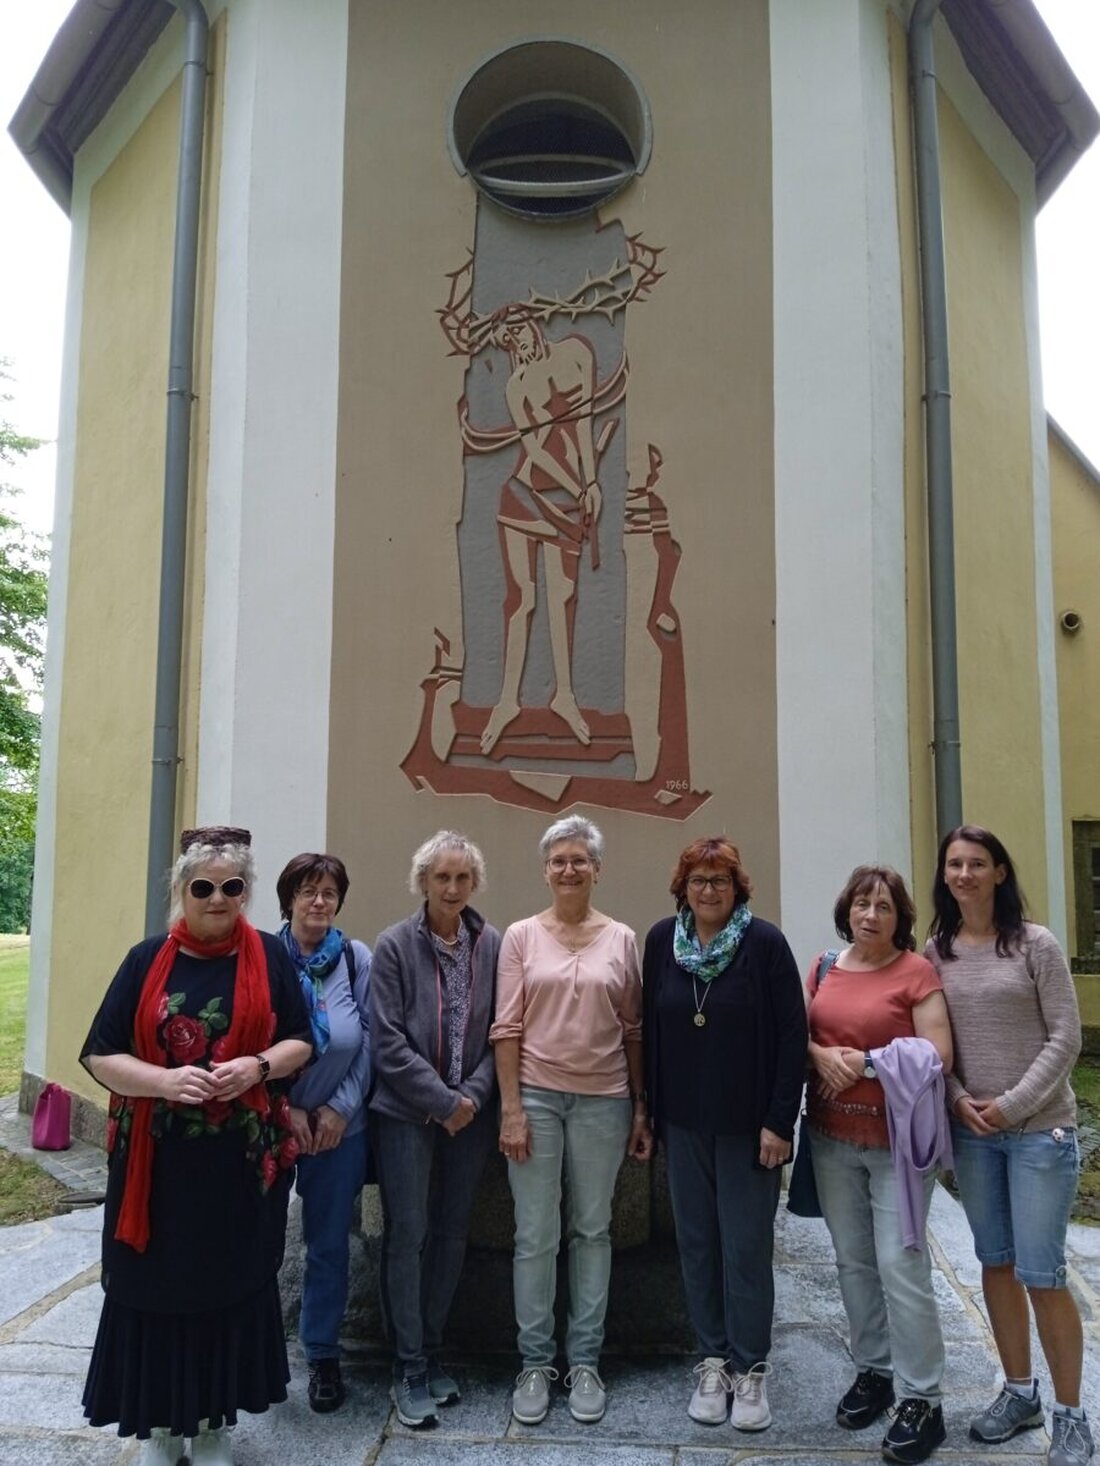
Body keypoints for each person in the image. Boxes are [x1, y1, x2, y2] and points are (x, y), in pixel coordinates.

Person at [80, 827, 312, 1466]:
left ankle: (211, 1424)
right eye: (203, 886)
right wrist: (164, 1080)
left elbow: (301, 1039)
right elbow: (100, 1054)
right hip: (155, 1172)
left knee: (226, 1286)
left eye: (231, 887)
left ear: (246, 893)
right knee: (154, 1291)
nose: (217, 898)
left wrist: (258, 1067)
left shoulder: (268, 955)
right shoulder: (145, 959)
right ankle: (159, 1428)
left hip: (237, 1169)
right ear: (182, 891)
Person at [927, 826, 1090, 1466]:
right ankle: (1019, 1392)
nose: (964, 874)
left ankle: (1073, 1416)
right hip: (975, 1135)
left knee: (1042, 1274)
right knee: (994, 1262)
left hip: (1039, 1134)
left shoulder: (1034, 944)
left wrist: (1013, 1105)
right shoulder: (936, 952)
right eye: (954, 864)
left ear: (999, 872)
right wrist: (959, 1097)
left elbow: (1066, 1038)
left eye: (976, 864)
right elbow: (933, 1041)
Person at [493, 814, 652, 1428]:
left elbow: (634, 1031)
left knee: (593, 1230)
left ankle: (583, 1360)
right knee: (535, 1234)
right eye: (558, 859)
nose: (568, 868)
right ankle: (535, 1362)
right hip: (535, 1097)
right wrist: (510, 1108)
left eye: (579, 859)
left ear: (597, 869)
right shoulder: (521, 936)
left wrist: (641, 1107)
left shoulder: (622, 939)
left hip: (605, 1102)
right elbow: (506, 1026)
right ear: (545, 869)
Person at [642, 836, 805, 1434]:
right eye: (698, 880)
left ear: (738, 889)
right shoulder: (663, 941)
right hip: (683, 1123)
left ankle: (751, 1369)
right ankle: (712, 1361)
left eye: (719, 881)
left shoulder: (763, 944)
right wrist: (648, 1113)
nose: (708, 890)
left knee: (745, 1250)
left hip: (749, 1128)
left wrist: (778, 1121)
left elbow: (793, 1035)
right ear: (682, 888)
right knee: (697, 1245)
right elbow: (650, 1031)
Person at [806, 865, 953, 1466]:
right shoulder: (822, 968)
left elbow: (937, 1053)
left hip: (895, 1147)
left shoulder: (916, 973)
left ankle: (924, 1402)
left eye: (885, 907)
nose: (872, 915)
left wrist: (864, 1064)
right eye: (863, 904)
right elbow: (800, 1036)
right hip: (831, 1139)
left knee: (902, 1267)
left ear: (900, 918)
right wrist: (820, 1054)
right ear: (848, 909)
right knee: (853, 1263)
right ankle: (874, 1372)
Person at [369, 831, 500, 1428]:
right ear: (423, 881)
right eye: (441, 877)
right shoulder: (395, 945)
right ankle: (408, 1363)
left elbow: (503, 1027)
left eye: (462, 878)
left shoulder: (491, 943)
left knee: (452, 1232)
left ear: (474, 884)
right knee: (410, 1232)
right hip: (408, 1116)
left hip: (470, 1118)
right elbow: (387, 1040)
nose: (451, 888)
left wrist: (470, 1096)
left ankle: (433, 1346)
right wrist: (441, 1100)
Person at [277, 853, 371, 1415]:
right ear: (289, 898)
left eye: (329, 893)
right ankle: (257, 1350)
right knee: (258, 1241)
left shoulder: (356, 958)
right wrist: (283, 1108)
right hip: (270, 1122)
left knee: (329, 1246)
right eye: (308, 891)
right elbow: (247, 1043)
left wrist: (338, 1109)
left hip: (342, 1127)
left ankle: (321, 1354)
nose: (319, 902)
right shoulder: (262, 957)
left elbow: (371, 1041)